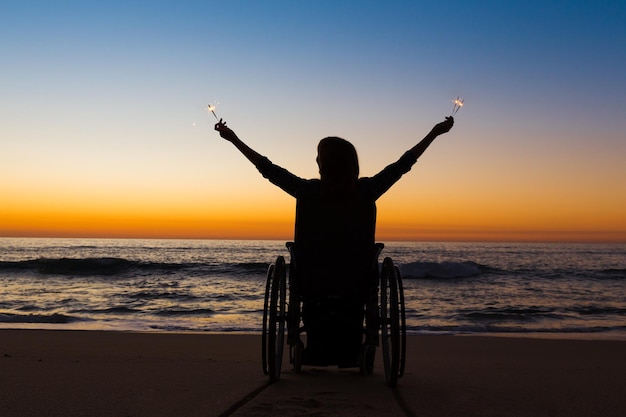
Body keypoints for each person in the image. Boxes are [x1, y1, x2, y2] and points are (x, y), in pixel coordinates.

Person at [214, 116, 454, 365]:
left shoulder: (306, 191)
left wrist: (234, 140)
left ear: (324, 164)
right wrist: (434, 133)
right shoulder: (366, 191)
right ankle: (356, 349)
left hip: (312, 280)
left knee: (311, 295)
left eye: (318, 157)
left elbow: (267, 168)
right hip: (356, 281)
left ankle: (312, 348)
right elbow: (403, 164)